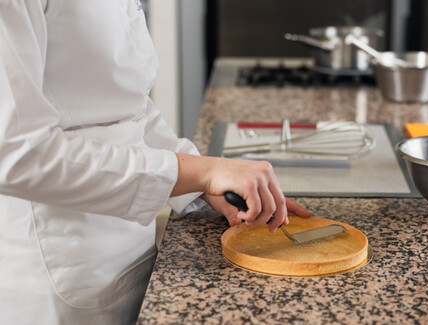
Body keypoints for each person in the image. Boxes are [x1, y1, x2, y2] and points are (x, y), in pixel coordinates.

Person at [0, 1, 310, 324]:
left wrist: (206, 182)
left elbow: (128, 110)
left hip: (131, 258)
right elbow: (18, 153)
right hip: (60, 276)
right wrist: (198, 173)